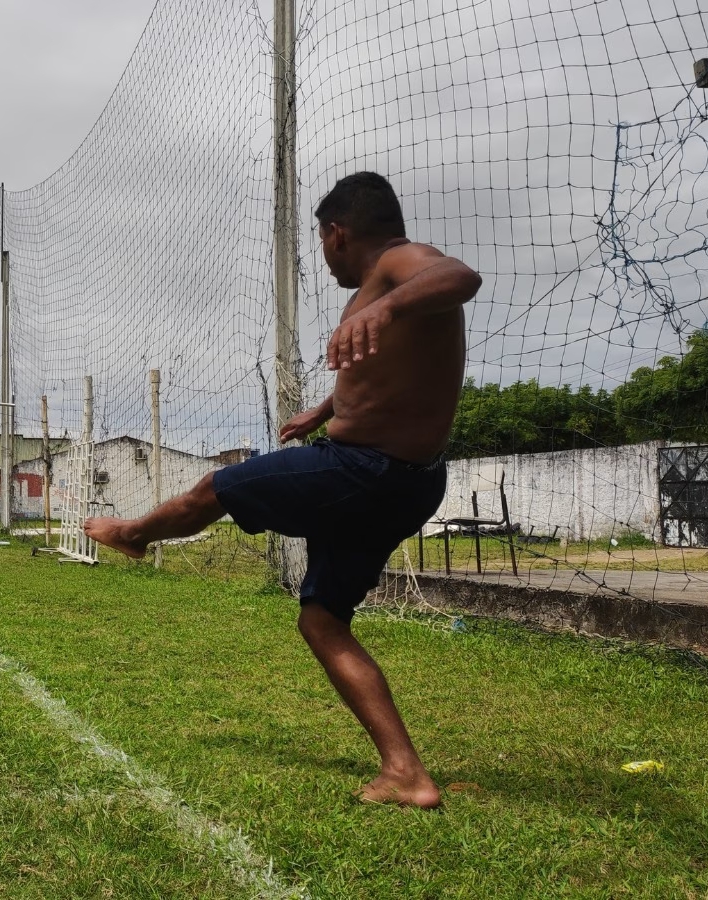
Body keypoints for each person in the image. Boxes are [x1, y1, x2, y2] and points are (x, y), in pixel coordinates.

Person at [84, 172, 480, 809]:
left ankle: (132, 534)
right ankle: (406, 772)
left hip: (364, 471)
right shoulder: (390, 280)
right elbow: (391, 375)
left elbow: (461, 276)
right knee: (322, 621)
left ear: (335, 232)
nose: (325, 260)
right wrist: (324, 410)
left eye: (322, 245)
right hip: (406, 479)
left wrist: (384, 304)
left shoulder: (400, 263)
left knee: (215, 487)